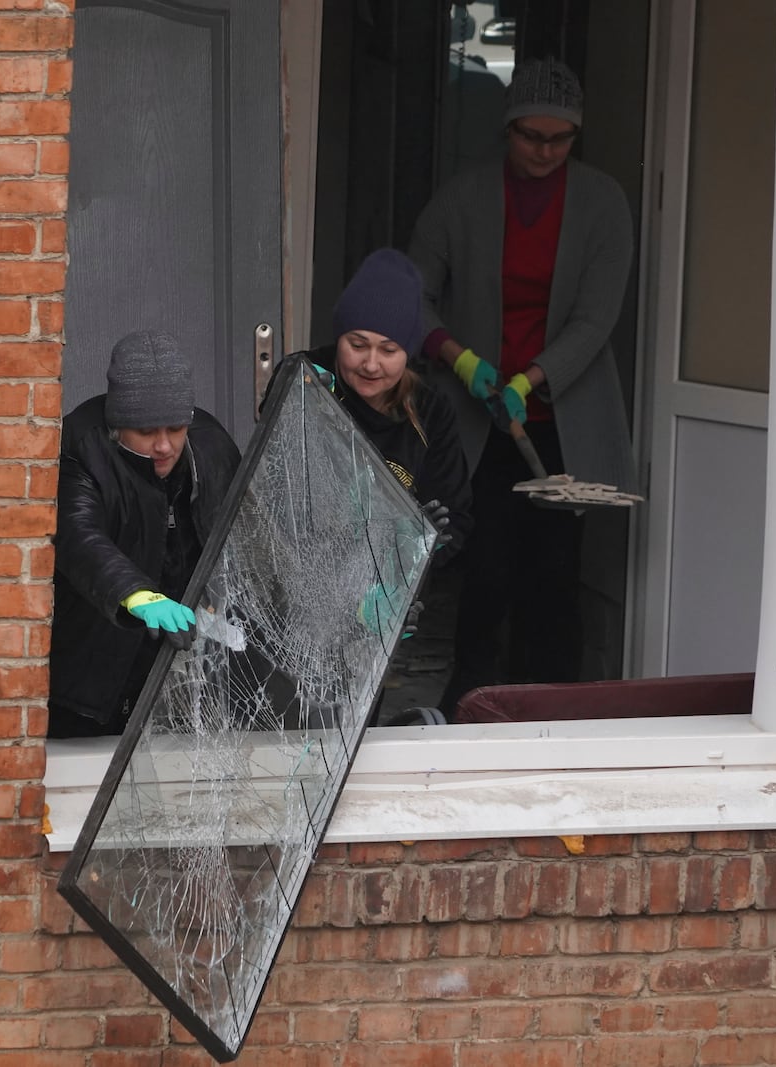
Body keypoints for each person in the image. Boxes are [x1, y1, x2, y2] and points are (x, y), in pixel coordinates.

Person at [408, 56, 637, 713]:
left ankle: (555, 709)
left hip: (561, 419)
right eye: (530, 135)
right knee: (485, 570)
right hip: (479, 417)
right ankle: (473, 701)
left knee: (554, 574)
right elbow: (411, 293)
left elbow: (596, 319)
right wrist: (462, 362)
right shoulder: (461, 198)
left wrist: (531, 380)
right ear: (506, 130)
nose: (544, 151)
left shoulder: (602, 204)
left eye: (559, 138)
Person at [48, 330, 242, 737]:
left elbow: (254, 534)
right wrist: (134, 594)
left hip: (180, 670)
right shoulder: (81, 447)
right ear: (118, 424)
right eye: (146, 431)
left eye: (175, 428)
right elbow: (79, 537)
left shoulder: (211, 446)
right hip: (92, 672)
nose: (164, 446)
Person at [281, 248, 473, 571]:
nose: (371, 364)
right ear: (339, 338)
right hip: (301, 573)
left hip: (386, 601)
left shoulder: (431, 412)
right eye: (357, 345)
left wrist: (416, 549)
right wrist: (292, 383)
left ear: (408, 352)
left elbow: (456, 519)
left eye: (388, 350)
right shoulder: (309, 380)